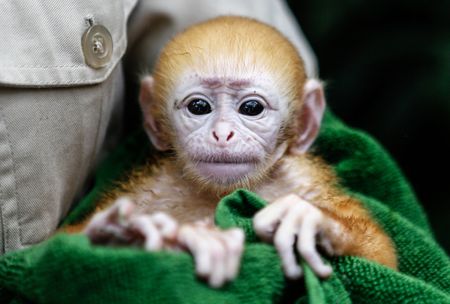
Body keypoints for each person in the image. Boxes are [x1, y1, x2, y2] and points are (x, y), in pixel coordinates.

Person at [0, 0, 317, 254]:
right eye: (198, 107)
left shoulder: (305, 189)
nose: (223, 133)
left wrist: (333, 232)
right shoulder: (144, 201)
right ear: (154, 120)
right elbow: (51, 264)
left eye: (251, 108)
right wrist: (95, 248)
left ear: (304, 123)